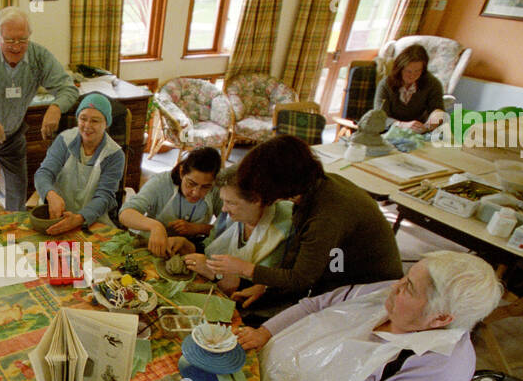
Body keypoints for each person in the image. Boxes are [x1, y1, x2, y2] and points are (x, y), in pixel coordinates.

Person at [234, 251, 501, 381]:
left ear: (440, 318)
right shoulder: (390, 294)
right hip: (257, 366)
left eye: (409, 288)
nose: (395, 286)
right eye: (406, 278)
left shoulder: (438, 367)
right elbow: (316, 304)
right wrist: (264, 332)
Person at [205, 135, 403, 320]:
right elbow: (299, 251)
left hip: (367, 289)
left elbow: (301, 278)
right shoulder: (314, 187)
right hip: (336, 263)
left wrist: (246, 269)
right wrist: (265, 286)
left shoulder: (327, 214)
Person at [0, 6, 79, 211]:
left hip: (14, 134)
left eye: (22, 39)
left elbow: (68, 89)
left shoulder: (39, 56)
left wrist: (56, 107)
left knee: (18, 198)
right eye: (9, 40)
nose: (16, 47)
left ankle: (14, 237)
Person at [179, 165, 293, 294]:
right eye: (224, 201)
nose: (224, 209)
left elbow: (266, 288)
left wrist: (215, 274)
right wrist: (188, 246)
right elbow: (210, 246)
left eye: (231, 203)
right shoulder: (232, 215)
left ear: (257, 200)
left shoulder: (283, 228)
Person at [32, 93, 125, 234]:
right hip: (56, 215)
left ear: (106, 124)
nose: (87, 126)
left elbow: (104, 196)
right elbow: (43, 173)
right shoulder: (64, 140)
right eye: (83, 119)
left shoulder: (114, 154)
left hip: (93, 219)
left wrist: (80, 218)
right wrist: (50, 194)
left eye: (95, 121)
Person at [119, 146, 223, 257]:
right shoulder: (161, 182)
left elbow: (227, 228)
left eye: (205, 187)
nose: (196, 193)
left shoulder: (217, 190)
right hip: (151, 246)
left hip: (190, 251)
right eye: (191, 183)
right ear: (182, 172)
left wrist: (198, 228)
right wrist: (155, 226)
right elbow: (125, 213)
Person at [378, 43, 448, 133]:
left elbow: (437, 110)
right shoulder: (386, 84)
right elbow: (380, 117)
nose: (412, 76)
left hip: (418, 132)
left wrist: (430, 124)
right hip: (388, 131)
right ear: (400, 69)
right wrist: (402, 125)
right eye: (408, 71)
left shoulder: (432, 83)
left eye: (417, 71)